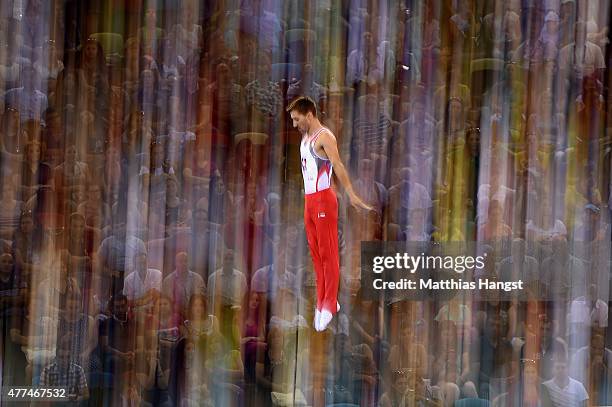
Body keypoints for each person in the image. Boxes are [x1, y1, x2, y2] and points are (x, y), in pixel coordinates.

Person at [286, 96, 371, 332]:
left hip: (324, 199)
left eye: (296, 119)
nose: (294, 125)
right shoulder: (305, 138)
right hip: (309, 200)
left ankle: (329, 305)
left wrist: (352, 194)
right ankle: (323, 300)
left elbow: (339, 166)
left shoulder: (325, 137)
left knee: (328, 252)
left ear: (309, 114)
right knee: (315, 254)